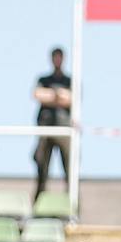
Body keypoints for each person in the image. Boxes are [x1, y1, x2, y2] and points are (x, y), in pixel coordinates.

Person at [32, 48, 72, 198]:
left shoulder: (69, 80)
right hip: (45, 129)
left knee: (69, 169)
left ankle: (72, 204)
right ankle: (38, 205)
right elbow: (37, 95)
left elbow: (71, 99)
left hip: (64, 130)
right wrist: (58, 96)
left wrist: (51, 96)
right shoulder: (43, 79)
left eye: (59, 57)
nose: (57, 60)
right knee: (42, 167)